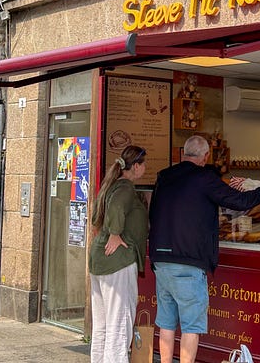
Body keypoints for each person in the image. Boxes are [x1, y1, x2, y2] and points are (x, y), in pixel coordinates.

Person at [149, 135, 260, 363]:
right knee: (191, 326)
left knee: (166, 322)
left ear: (183, 153)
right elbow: (238, 201)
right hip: (189, 262)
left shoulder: (164, 177)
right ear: (206, 156)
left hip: (161, 259)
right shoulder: (204, 178)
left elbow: (154, 213)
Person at [89, 145, 148, 363]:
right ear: (136, 167)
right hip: (118, 262)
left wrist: (109, 234)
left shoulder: (112, 185)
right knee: (119, 323)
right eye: (144, 165)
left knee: (103, 325)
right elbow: (115, 208)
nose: (146, 169)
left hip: (101, 260)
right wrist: (115, 234)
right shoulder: (125, 187)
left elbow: (97, 215)